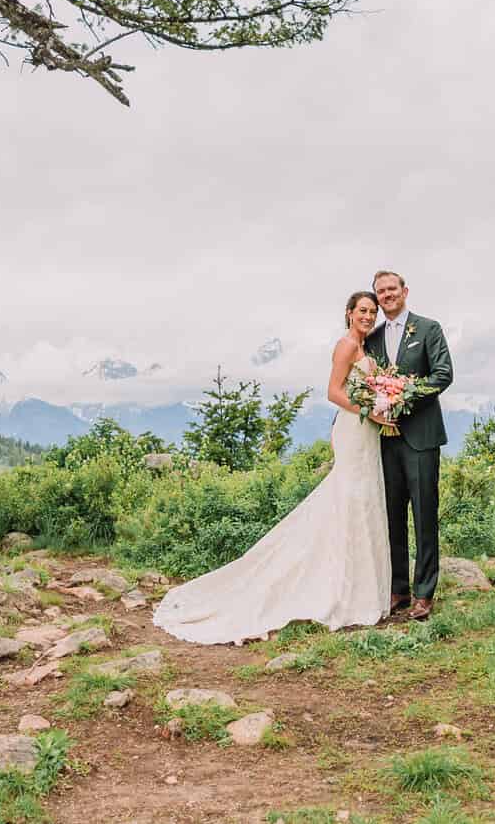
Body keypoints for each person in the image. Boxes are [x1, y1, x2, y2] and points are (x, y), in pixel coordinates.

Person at [151, 292, 391, 644]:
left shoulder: (365, 349)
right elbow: (333, 392)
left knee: (364, 501)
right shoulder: (345, 347)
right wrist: (369, 409)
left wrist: (383, 402)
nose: (369, 316)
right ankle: (340, 590)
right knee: (349, 499)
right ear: (349, 314)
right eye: (363, 311)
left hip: (367, 433)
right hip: (355, 428)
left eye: (373, 312)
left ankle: (362, 591)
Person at [364, 269, 453, 620]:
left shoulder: (428, 329)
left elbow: (443, 375)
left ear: (405, 291)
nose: (387, 295)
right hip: (385, 440)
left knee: (424, 514)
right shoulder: (371, 338)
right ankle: (398, 588)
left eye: (392, 289)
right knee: (392, 516)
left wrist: (405, 396)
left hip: (421, 436)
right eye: (381, 291)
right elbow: (366, 382)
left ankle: (424, 593)